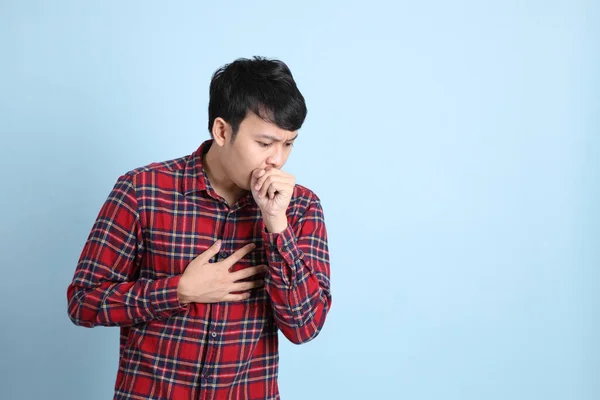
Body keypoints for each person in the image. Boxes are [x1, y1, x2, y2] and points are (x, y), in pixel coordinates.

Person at [66, 56, 332, 400]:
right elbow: (83, 303)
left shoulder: (300, 206)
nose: (277, 159)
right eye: (265, 143)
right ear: (222, 131)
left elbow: (304, 326)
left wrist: (276, 224)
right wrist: (178, 291)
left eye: (289, 143)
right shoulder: (142, 191)